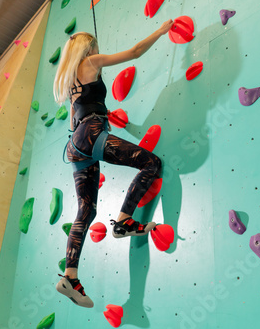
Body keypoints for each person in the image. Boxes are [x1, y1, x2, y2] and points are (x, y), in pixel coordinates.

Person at [53, 19, 174, 308]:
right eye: (95, 47)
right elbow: (134, 52)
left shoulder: (71, 83)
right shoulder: (91, 61)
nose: (98, 51)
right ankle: (123, 221)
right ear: (88, 48)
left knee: (86, 210)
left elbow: (79, 117)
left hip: (75, 146)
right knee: (150, 163)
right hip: (92, 134)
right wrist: (160, 31)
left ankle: (70, 277)